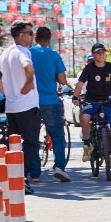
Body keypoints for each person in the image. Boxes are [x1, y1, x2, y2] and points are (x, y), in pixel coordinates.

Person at [0, 20, 40, 194]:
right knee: (30, 144)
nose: (32, 36)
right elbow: (28, 67)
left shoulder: (6, 53)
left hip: (12, 107)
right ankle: (22, 178)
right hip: (27, 106)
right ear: (20, 35)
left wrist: (8, 93)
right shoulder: (23, 51)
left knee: (13, 143)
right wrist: (28, 82)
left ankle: (9, 176)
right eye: (30, 33)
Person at [30, 26, 72, 182]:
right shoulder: (54, 55)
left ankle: (34, 174)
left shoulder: (30, 53)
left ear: (35, 38)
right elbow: (62, 80)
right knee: (56, 135)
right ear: (50, 39)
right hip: (50, 101)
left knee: (32, 136)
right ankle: (59, 166)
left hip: (32, 102)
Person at [73, 43, 111, 169]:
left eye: (103, 52)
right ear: (93, 54)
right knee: (84, 118)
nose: (101, 54)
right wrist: (76, 96)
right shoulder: (89, 68)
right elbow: (80, 84)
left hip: (107, 101)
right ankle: (87, 145)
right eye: (98, 52)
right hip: (92, 101)